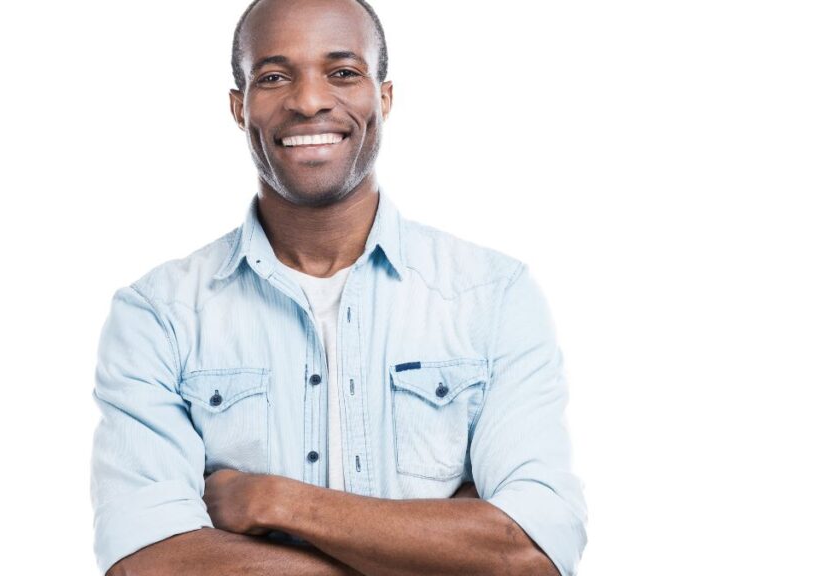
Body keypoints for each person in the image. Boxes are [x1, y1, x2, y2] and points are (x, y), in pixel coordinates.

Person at [89, 0, 587, 574]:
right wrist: (432, 548)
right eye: (274, 77)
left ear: (385, 97)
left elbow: (530, 552)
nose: (308, 101)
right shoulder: (157, 315)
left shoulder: (493, 296)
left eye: (343, 72)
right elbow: (149, 563)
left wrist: (277, 503)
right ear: (238, 106)